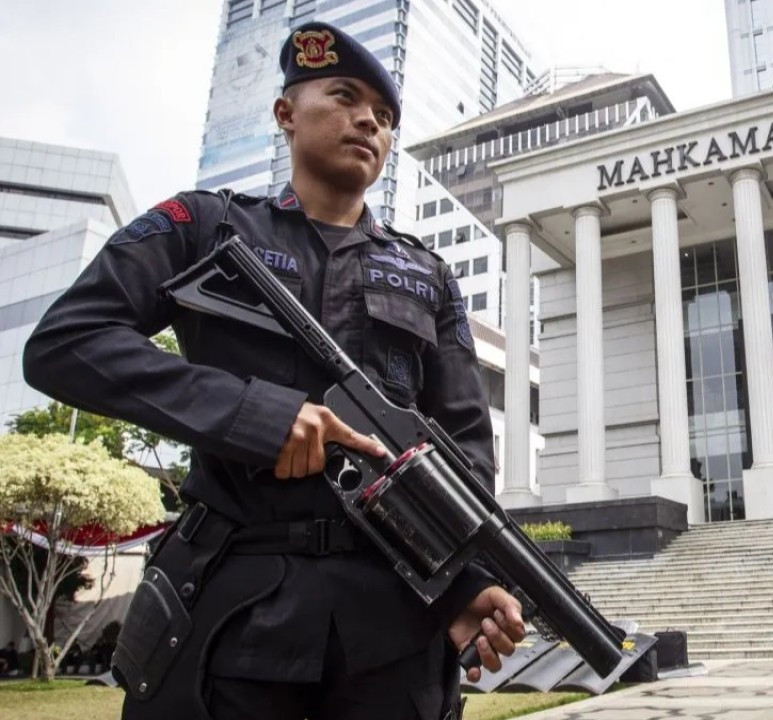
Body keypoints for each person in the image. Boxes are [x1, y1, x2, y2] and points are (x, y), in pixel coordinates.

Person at [24, 21, 522, 720]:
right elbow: (66, 342)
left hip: (390, 634)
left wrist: (465, 579)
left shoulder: (429, 276)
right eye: (345, 97)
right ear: (285, 113)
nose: (367, 123)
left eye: (383, 118)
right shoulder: (203, 227)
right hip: (229, 613)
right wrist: (254, 414)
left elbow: (465, 452)